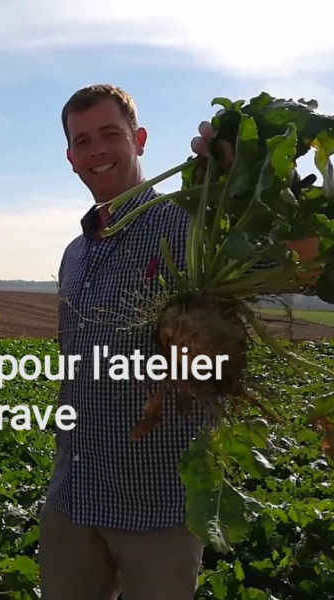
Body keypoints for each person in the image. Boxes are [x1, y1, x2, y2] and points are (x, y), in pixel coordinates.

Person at [38, 84, 318, 600]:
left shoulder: (192, 223)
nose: (97, 150)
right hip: (72, 497)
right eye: (83, 141)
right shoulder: (74, 254)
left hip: (158, 507)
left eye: (109, 135)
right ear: (71, 157)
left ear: (139, 139)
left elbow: (303, 262)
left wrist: (258, 179)